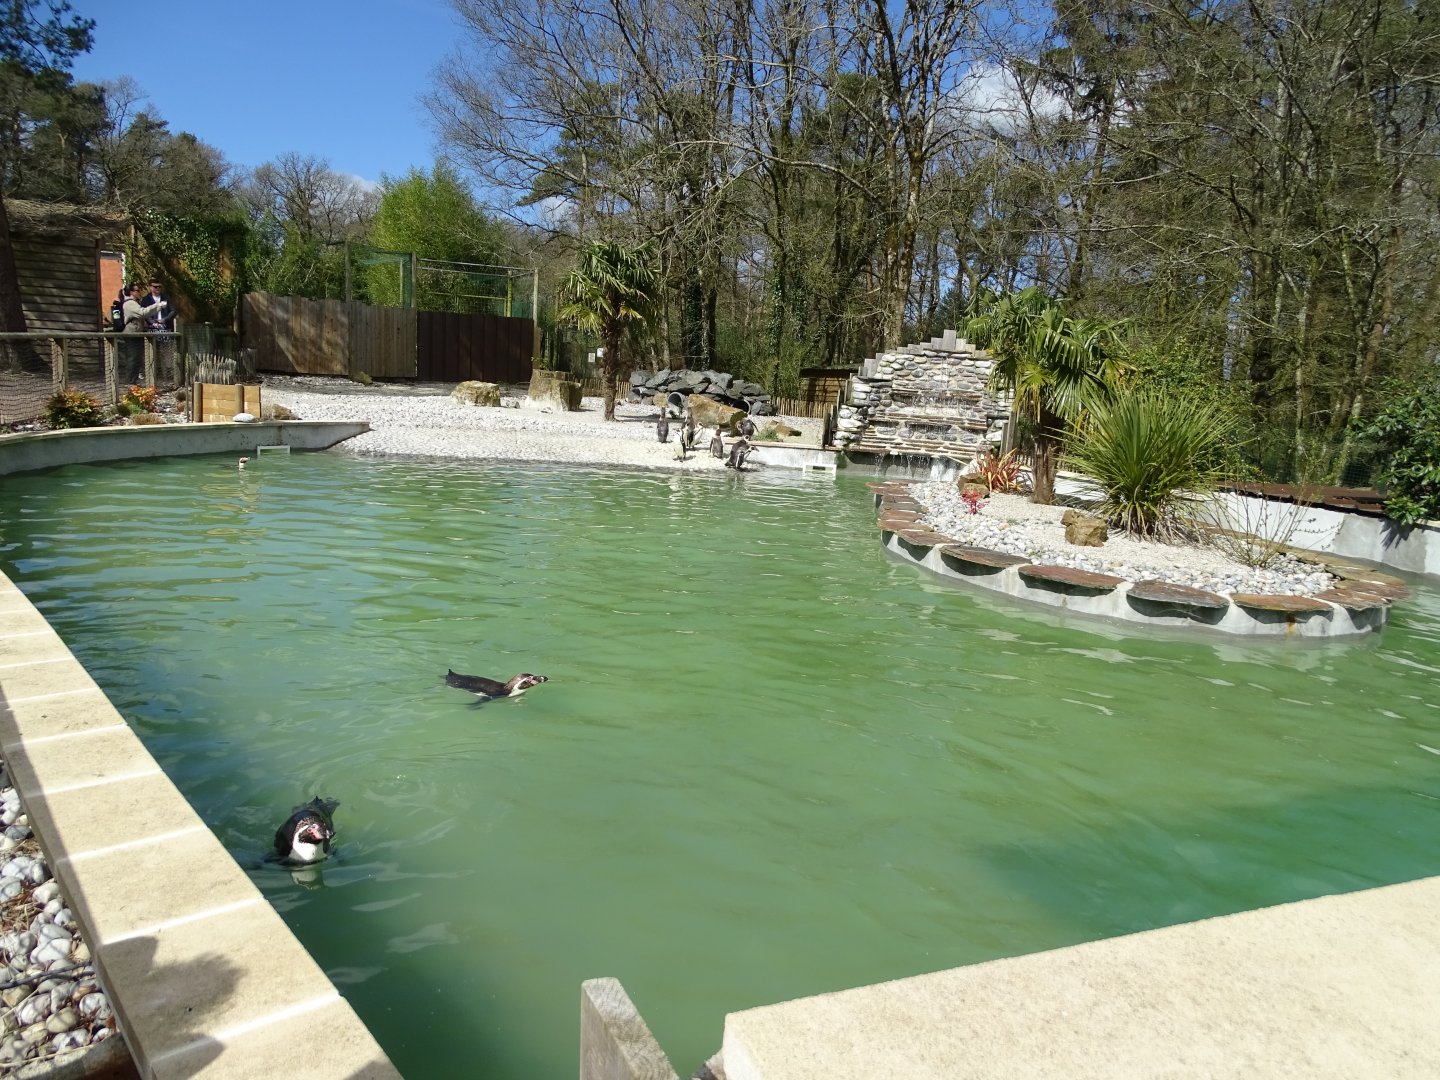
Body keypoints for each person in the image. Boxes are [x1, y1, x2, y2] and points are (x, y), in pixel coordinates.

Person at [120, 283, 151, 383]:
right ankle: (130, 381)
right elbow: (142, 312)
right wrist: (157, 306)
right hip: (131, 334)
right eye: (137, 290)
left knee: (136, 358)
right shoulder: (129, 303)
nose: (139, 292)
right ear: (131, 292)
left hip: (136, 333)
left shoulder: (135, 302)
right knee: (133, 358)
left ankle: (133, 381)